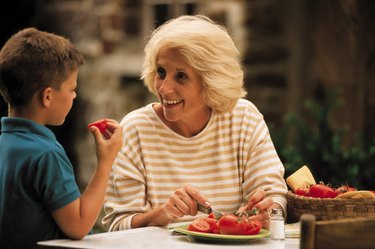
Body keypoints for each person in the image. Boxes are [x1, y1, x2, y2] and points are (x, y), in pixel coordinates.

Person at [103, 15, 287, 231]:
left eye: (181, 76)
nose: (164, 88)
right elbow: (116, 227)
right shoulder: (135, 130)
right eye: (161, 72)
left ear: (211, 81)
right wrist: (161, 214)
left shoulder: (244, 119)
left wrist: (269, 212)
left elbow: (276, 200)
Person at [0, 28, 123, 249]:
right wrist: (105, 162)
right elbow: (78, 225)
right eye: (72, 89)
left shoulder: (6, 144)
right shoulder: (46, 154)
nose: (75, 95)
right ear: (47, 96)